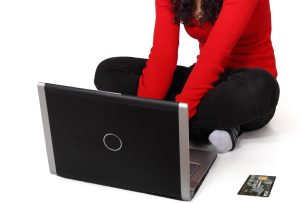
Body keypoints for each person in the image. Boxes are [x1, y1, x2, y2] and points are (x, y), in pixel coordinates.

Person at [93, 0, 280, 153]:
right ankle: (214, 124)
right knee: (108, 71)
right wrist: (146, 112)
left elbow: (216, 53)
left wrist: (175, 118)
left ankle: (188, 120)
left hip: (246, 83)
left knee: (262, 86)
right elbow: (164, 53)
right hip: (205, 78)